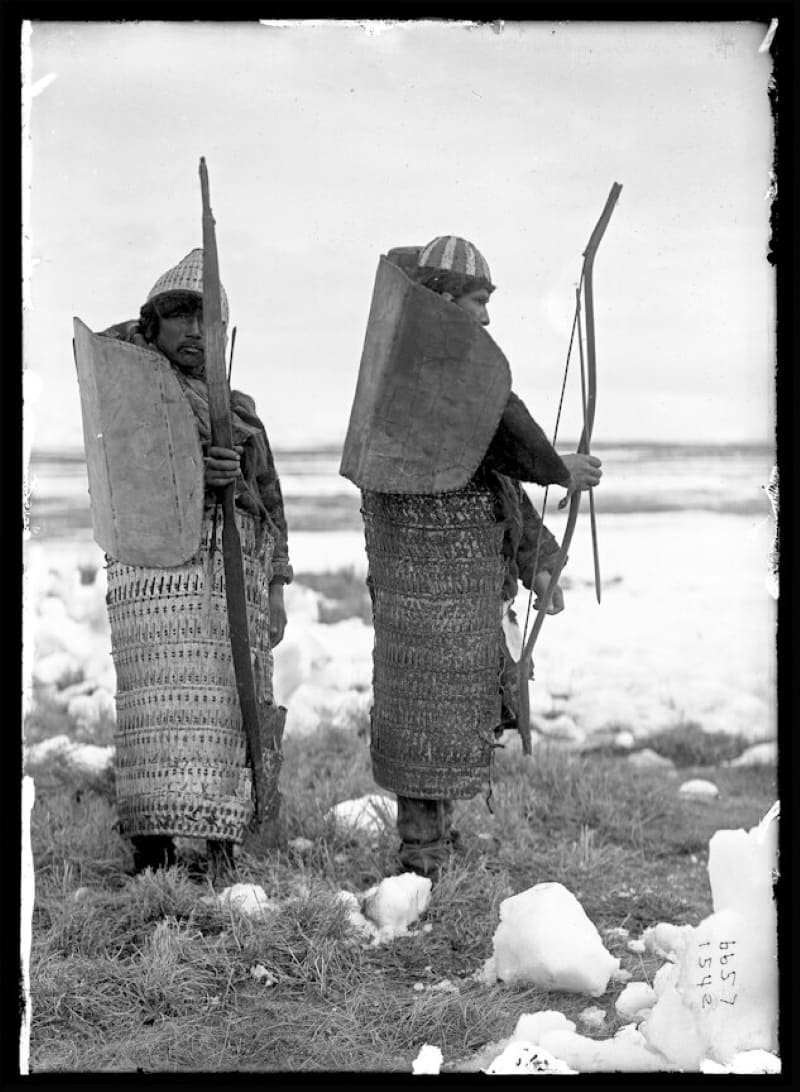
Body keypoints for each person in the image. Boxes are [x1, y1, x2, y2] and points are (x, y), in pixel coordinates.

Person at [342, 236, 601, 878]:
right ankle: (420, 851)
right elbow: (514, 448)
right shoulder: (416, 383)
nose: (485, 318)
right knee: (419, 707)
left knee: (456, 712)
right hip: (418, 588)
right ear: (440, 303)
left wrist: (539, 562)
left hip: (468, 591)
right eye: (477, 302)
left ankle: (438, 838)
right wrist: (557, 466)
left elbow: (502, 486)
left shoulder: (459, 388)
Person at [96, 248, 292, 877]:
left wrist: (278, 581)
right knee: (155, 717)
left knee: (229, 714)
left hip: (227, 581)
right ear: (151, 326)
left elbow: (270, 502)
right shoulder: (133, 390)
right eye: (176, 317)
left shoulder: (239, 411)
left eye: (203, 320)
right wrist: (192, 468)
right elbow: (130, 470)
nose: (189, 332)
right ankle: (151, 851)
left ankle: (222, 846)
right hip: (156, 580)